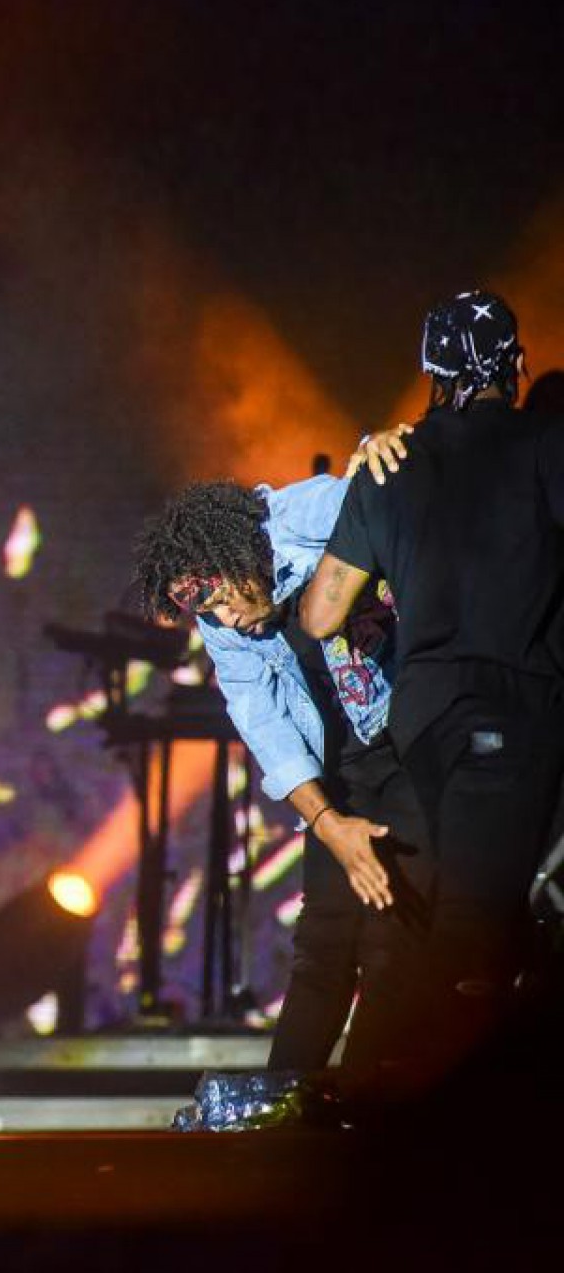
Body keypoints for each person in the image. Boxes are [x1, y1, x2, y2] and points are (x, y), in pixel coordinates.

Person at [300, 289, 564, 1095]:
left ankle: (383, 1093)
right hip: (509, 716)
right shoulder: (545, 445)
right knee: (473, 930)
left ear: (430, 371)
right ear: (515, 365)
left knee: (435, 920)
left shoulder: (390, 463)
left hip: (418, 726)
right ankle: (427, 1117)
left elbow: (319, 614)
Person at [133, 458, 429, 1077]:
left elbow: (398, 492)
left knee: (391, 943)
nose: (225, 620)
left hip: (414, 745)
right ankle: (280, 1110)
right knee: (321, 947)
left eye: (223, 601)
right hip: (342, 765)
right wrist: (327, 824)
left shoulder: (306, 516)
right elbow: (262, 722)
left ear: (240, 556)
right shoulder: (221, 624)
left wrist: (385, 449)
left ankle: (365, 1114)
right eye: (209, 613)